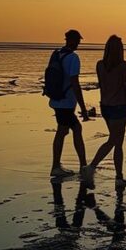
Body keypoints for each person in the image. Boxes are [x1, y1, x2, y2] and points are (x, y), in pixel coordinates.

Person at [86, 35, 126, 186]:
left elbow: (103, 85)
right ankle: (92, 167)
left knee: (118, 141)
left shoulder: (100, 65)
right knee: (115, 140)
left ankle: (119, 176)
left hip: (105, 106)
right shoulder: (123, 66)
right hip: (119, 107)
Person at [48, 29, 89, 178]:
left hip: (56, 100)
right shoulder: (73, 58)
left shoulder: (57, 54)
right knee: (65, 131)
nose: (78, 44)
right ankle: (58, 166)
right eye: (78, 41)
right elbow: (75, 84)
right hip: (65, 102)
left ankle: (82, 165)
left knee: (71, 130)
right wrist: (83, 108)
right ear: (74, 41)